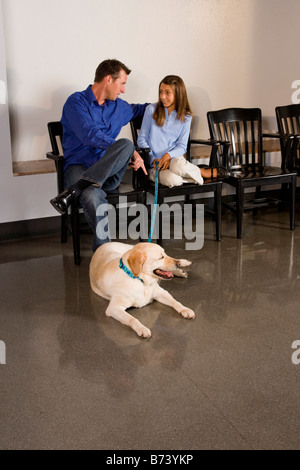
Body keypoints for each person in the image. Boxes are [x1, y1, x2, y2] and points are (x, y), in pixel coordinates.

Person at [50, 59, 148, 251]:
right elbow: (90, 135)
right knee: (92, 194)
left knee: (127, 144)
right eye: (122, 84)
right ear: (108, 80)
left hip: (108, 175)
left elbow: (144, 109)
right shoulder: (76, 102)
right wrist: (132, 152)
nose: (123, 90)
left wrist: (172, 101)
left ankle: (74, 189)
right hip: (78, 167)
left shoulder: (119, 107)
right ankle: (104, 252)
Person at [137, 75, 224, 188]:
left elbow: (182, 146)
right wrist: (154, 159)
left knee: (179, 167)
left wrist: (168, 156)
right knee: (174, 181)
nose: (162, 96)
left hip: (174, 161)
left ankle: (201, 172)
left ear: (178, 95)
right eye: (161, 92)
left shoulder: (186, 117)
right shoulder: (151, 110)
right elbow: (141, 139)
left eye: (167, 92)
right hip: (155, 165)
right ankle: (200, 172)